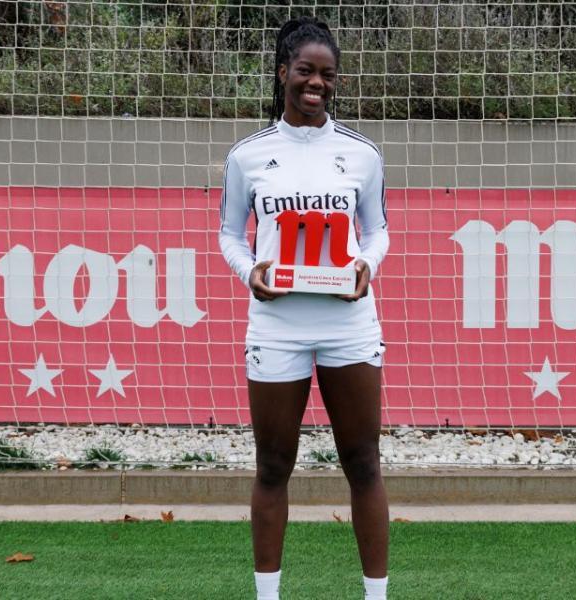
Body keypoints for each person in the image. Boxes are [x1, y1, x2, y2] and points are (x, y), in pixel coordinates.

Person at [217, 16, 391, 600]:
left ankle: (377, 596)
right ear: (283, 73)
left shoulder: (362, 154)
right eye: (305, 71)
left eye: (327, 75)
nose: (316, 83)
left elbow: (378, 232)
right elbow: (230, 237)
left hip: (349, 323)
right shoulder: (248, 156)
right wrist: (251, 274)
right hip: (277, 323)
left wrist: (366, 267)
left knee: (363, 461)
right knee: (272, 465)